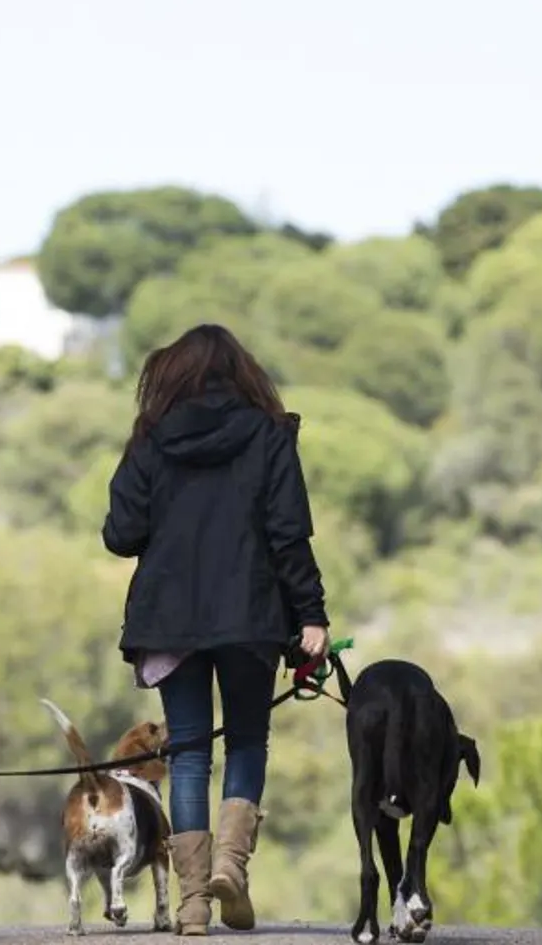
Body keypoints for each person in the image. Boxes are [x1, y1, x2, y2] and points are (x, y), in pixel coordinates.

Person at [101, 323, 330, 936]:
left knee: (190, 754)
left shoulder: (150, 440)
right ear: (243, 373)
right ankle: (230, 866)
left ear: (171, 375)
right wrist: (311, 614)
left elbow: (120, 534)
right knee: (248, 742)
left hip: (171, 619)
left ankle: (194, 904)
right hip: (251, 616)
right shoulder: (270, 435)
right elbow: (288, 534)